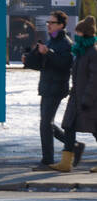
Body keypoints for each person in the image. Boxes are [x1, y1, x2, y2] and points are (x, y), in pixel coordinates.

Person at [24, 10, 73, 169]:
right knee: (47, 123)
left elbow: (65, 65)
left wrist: (49, 53)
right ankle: (73, 143)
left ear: (61, 25)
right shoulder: (50, 41)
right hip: (46, 86)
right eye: (48, 22)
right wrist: (32, 57)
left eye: (52, 23)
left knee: (45, 124)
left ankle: (48, 160)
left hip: (57, 87)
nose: (48, 25)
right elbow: (43, 66)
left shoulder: (66, 43)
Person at [55, 15, 96, 173]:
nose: (75, 35)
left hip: (89, 101)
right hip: (76, 98)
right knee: (69, 126)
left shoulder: (92, 53)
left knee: (95, 130)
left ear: (84, 34)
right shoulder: (80, 52)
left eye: (77, 32)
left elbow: (94, 80)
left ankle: (66, 162)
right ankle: (66, 163)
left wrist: (87, 99)